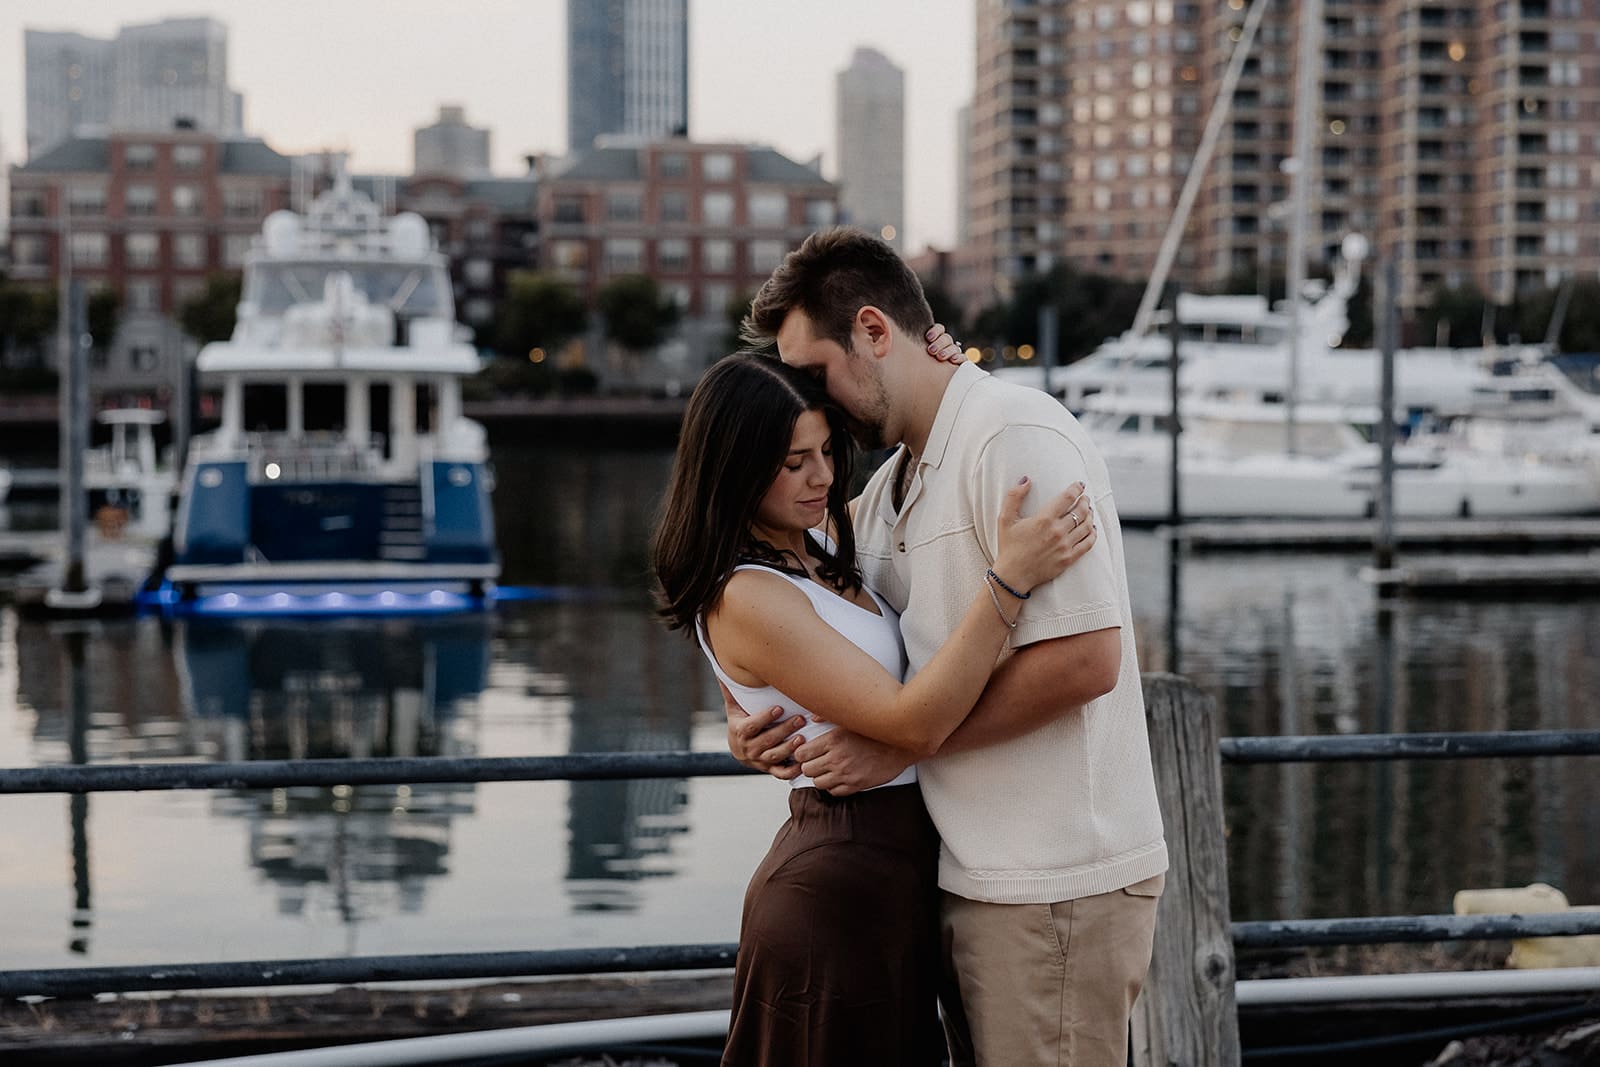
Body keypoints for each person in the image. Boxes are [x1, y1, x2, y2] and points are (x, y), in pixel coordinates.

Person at [730, 227, 1169, 1067]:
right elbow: (786, 591)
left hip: (1052, 882)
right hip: (973, 875)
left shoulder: (1009, 436)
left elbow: (1086, 660)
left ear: (871, 330)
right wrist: (750, 714)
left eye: (809, 372)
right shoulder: (898, 478)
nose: (804, 398)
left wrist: (896, 740)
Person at [652, 351, 1096, 1067]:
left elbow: (918, 463)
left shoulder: (820, 538)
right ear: (733, 466)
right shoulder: (748, 593)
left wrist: (936, 357)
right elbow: (913, 723)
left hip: (895, 877)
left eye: (827, 451)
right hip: (835, 883)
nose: (822, 476)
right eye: (793, 461)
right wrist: (1009, 581)